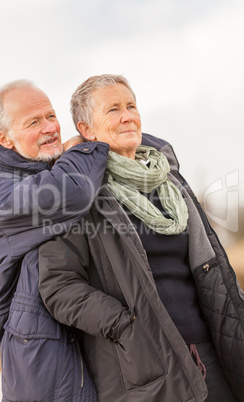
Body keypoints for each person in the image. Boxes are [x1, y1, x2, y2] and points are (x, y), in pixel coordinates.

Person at [39, 74, 244, 402]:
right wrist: (125, 326)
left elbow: (210, 267)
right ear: (87, 130)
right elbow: (58, 287)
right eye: (113, 110)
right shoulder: (79, 195)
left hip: (212, 351)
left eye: (131, 105)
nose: (127, 116)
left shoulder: (172, 183)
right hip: (146, 366)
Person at [0, 79, 110, 401]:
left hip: (98, 345)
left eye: (51, 116)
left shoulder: (76, 169)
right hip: (41, 365)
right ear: (4, 138)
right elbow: (71, 193)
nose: (50, 127)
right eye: (33, 122)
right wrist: (84, 144)